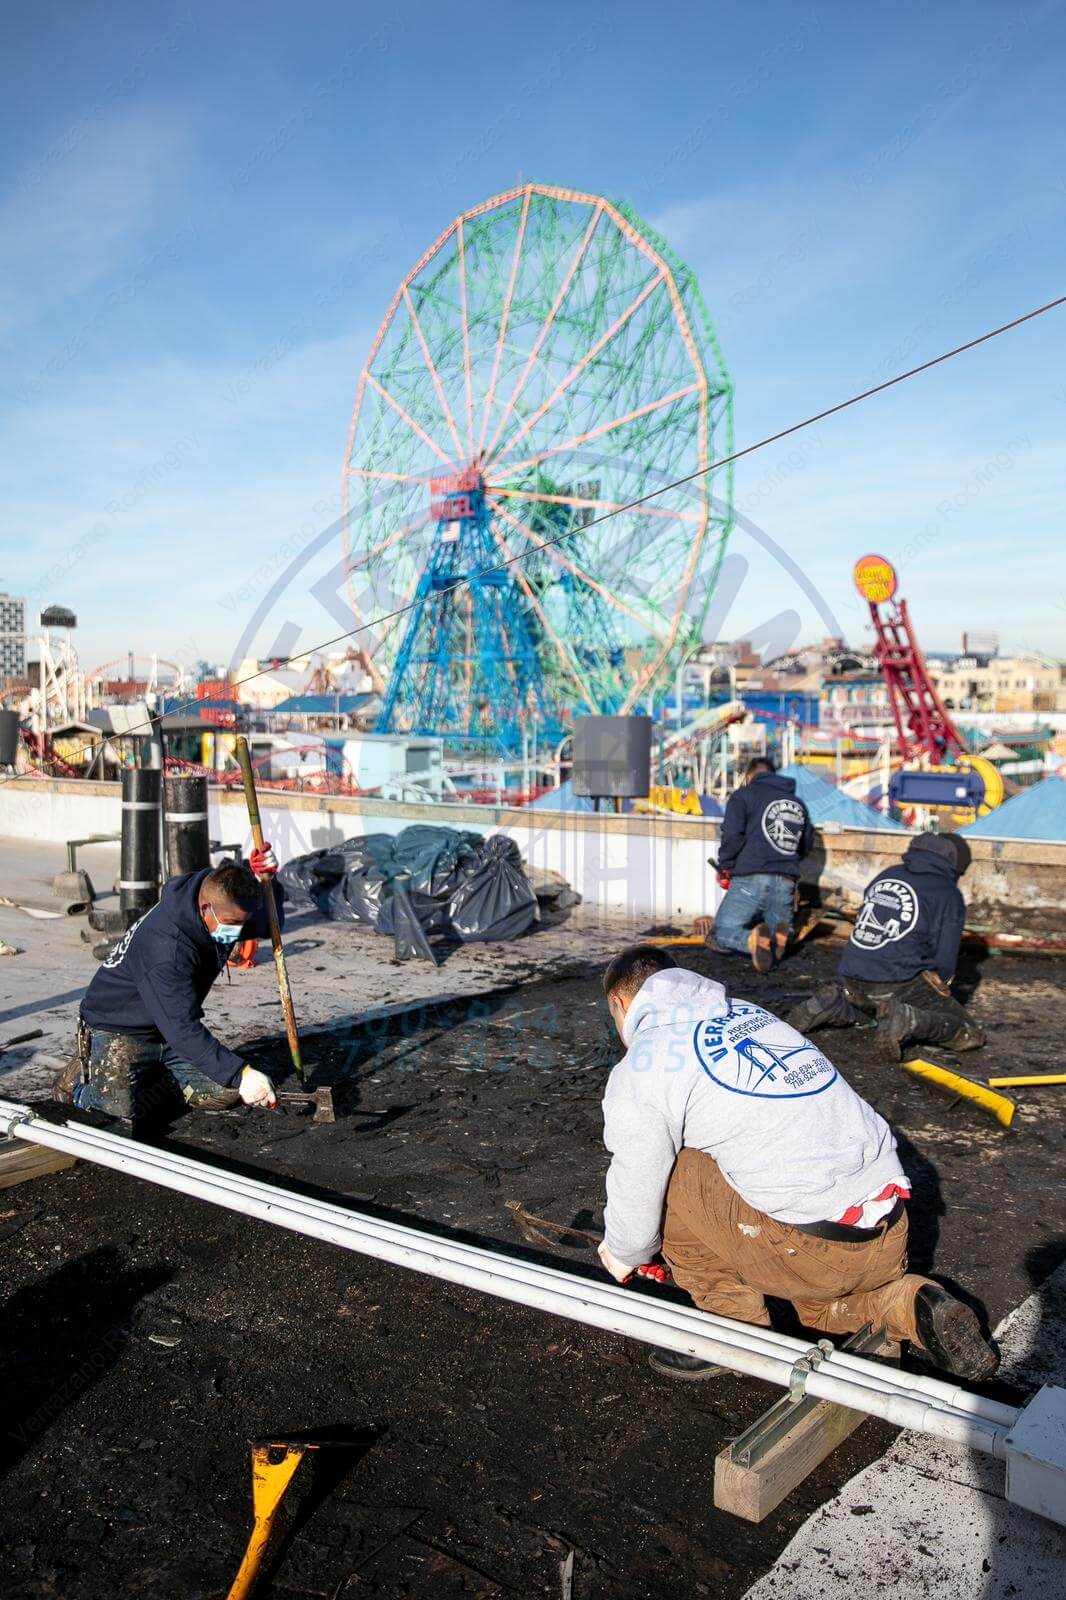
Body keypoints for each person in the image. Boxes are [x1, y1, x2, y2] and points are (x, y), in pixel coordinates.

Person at [596, 945, 998, 1383]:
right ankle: (913, 1304)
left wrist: (624, 1251)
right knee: (818, 1313)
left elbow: (638, 1175)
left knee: (676, 1169)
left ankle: (732, 1330)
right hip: (889, 1229)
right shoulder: (748, 1013)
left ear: (620, 1003)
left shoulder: (645, 1062)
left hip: (813, 1251)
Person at [53, 848, 283, 1125]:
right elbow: (182, 1028)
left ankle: (152, 1074)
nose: (237, 932)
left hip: (166, 1026)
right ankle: (78, 1086)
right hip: (119, 1028)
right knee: (113, 1118)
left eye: (241, 923)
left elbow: (268, 924)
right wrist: (241, 1074)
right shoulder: (167, 949)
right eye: (233, 924)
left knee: (224, 1092)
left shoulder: (216, 905)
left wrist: (267, 881)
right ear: (205, 909)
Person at [787, 832, 984, 1059]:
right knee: (969, 1031)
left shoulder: (888, 874)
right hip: (895, 980)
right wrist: (940, 990)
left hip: (850, 975)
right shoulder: (947, 893)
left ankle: (835, 1003)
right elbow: (945, 959)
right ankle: (909, 1019)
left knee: (874, 1013)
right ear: (952, 865)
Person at [702, 757, 814, 973]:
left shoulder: (744, 795)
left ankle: (750, 941)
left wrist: (726, 866)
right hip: (786, 882)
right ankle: (779, 937)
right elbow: (806, 845)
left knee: (720, 934)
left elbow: (732, 836)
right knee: (777, 927)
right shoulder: (798, 804)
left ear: (749, 776)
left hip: (751, 877)